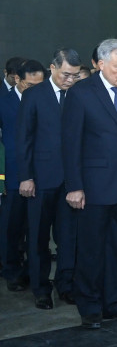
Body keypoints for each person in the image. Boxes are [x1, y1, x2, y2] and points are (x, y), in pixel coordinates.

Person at [62, 38, 117, 329]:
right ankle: (89, 306)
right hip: (94, 185)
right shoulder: (82, 93)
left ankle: (116, 302)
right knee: (91, 248)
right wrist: (74, 185)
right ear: (100, 64)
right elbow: (71, 143)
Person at [17, 50, 81, 309]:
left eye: (75, 76)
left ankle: (65, 285)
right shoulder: (34, 95)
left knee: (68, 238)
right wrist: (26, 177)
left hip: (72, 181)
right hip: (41, 179)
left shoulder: (79, 94)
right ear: (52, 68)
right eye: (66, 74)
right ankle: (41, 288)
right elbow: (23, 139)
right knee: (38, 238)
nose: (70, 80)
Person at [1, 60, 45, 293]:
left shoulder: (45, 99)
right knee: (11, 227)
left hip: (41, 174)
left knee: (36, 229)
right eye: (29, 85)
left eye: (39, 84)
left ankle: (32, 271)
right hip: (12, 173)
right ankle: (12, 271)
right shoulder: (3, 102)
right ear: (17, 79)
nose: (34, 89)